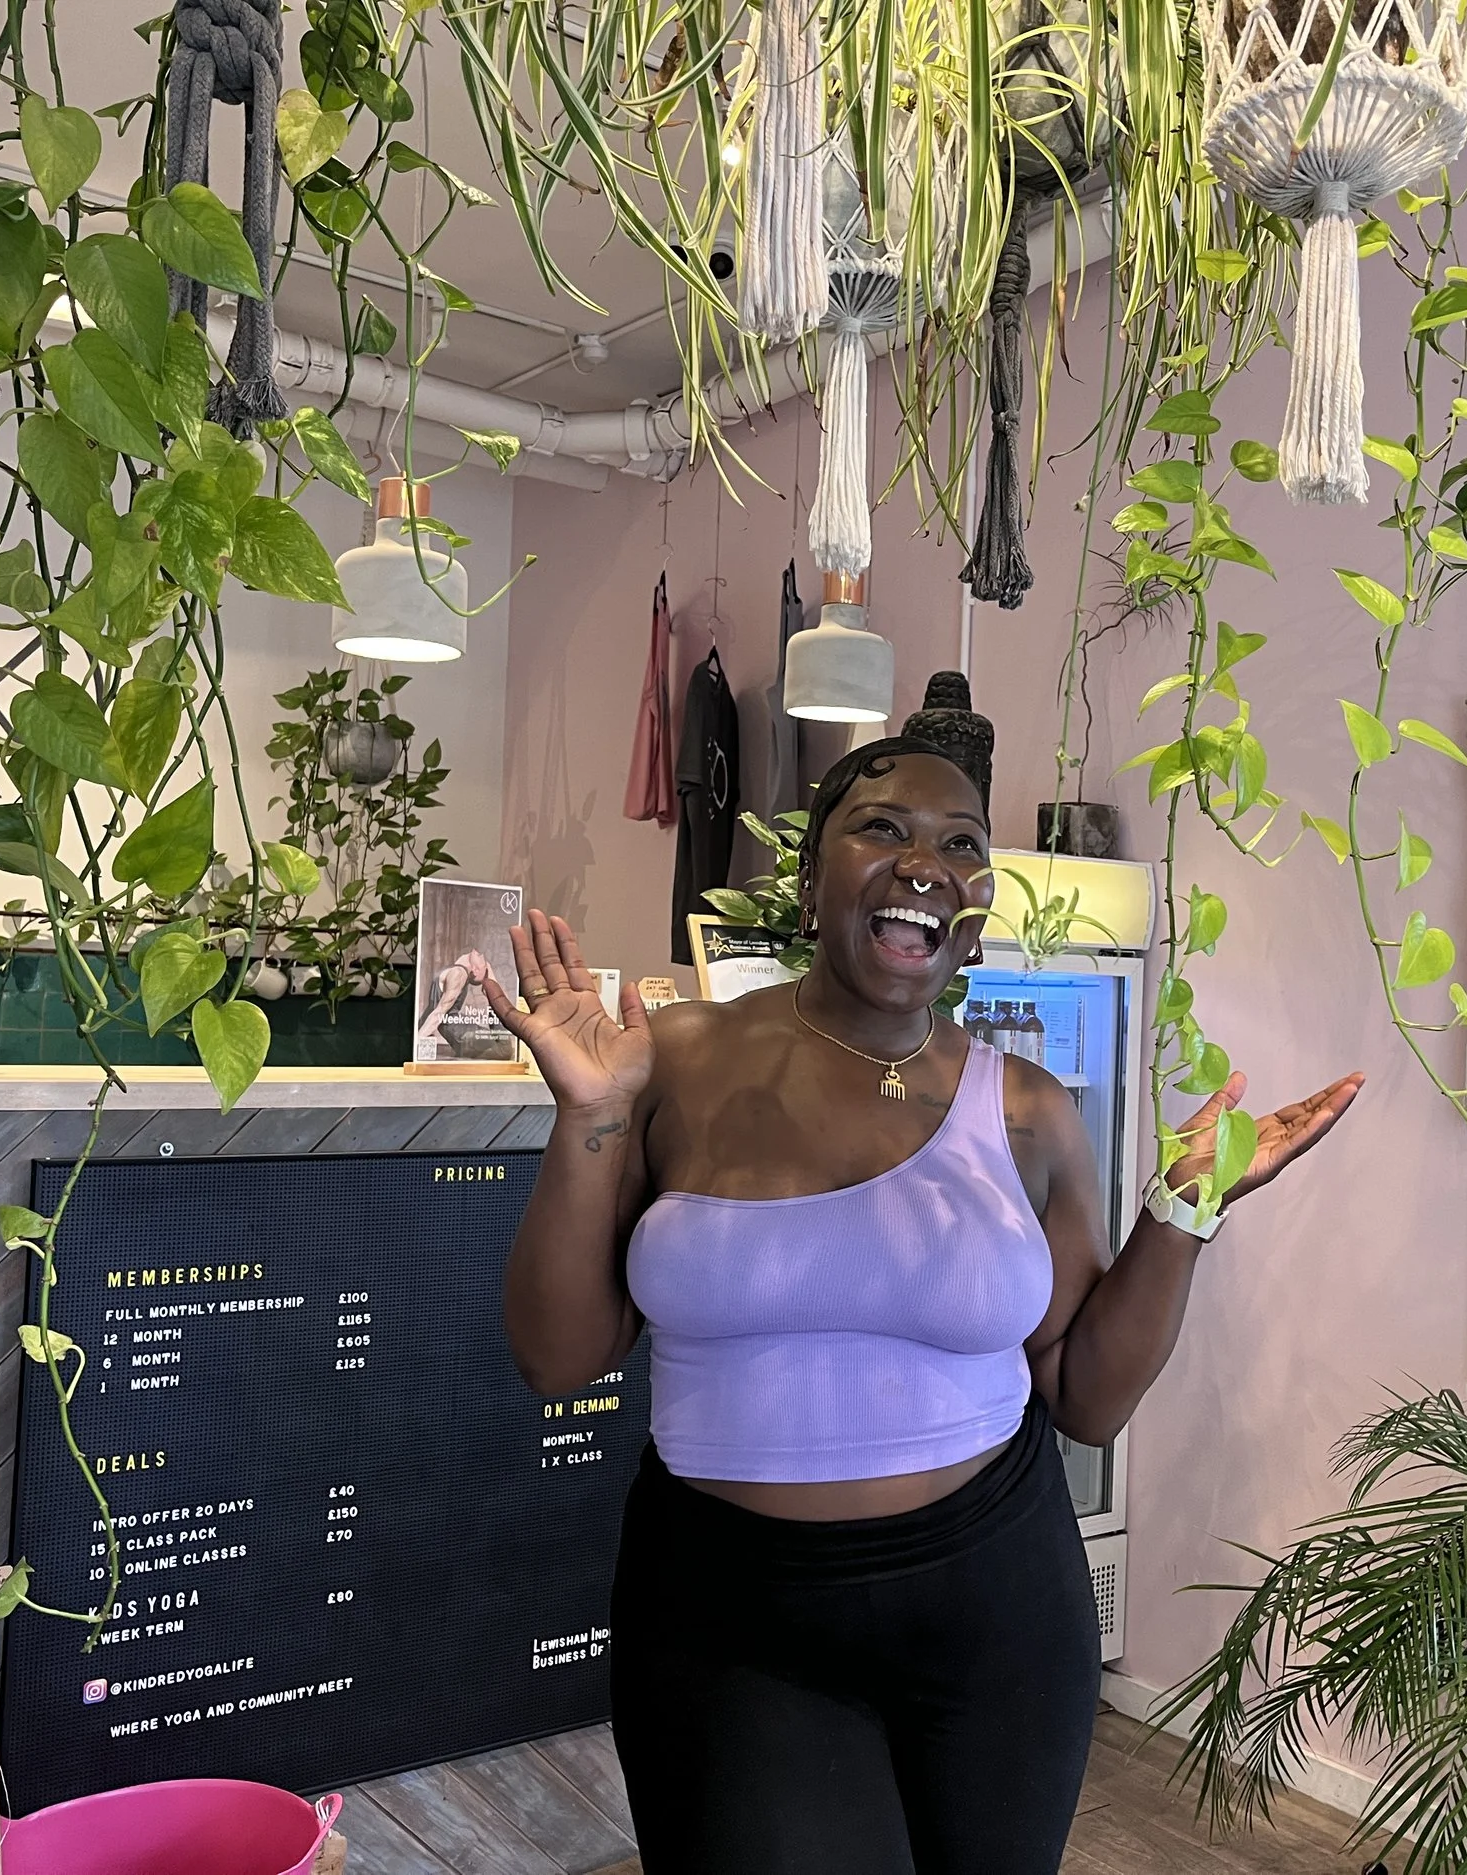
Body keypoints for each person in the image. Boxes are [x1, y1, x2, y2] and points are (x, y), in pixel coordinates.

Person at [482, 737, 1364, 1875]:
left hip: (996, 1600)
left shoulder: (1031, 1112)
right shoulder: (677, 1061)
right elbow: (557, 1358)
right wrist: (587, 1115)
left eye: (960, 846)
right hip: (725, 1614)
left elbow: (1086, 1400)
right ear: (810, 885)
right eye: (883, 829)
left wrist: (1183, 1211)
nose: (925, 863)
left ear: (979, 920)